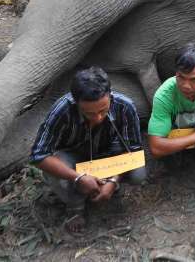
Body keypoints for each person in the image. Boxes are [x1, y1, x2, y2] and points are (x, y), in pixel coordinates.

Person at [29, 67, 146, 232]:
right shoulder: (62, 110)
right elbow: (38, 155)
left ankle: (106, 184)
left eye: (103, 110)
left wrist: (114, 181)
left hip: (110, 156)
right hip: (76, 158)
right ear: (76, 103)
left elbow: (133, 150)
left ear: (110, 95)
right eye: (89, 113)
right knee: (53, 170)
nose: (98, 118)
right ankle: (75, 206)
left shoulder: (125, 106)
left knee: (138, 173)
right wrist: (78, 178)